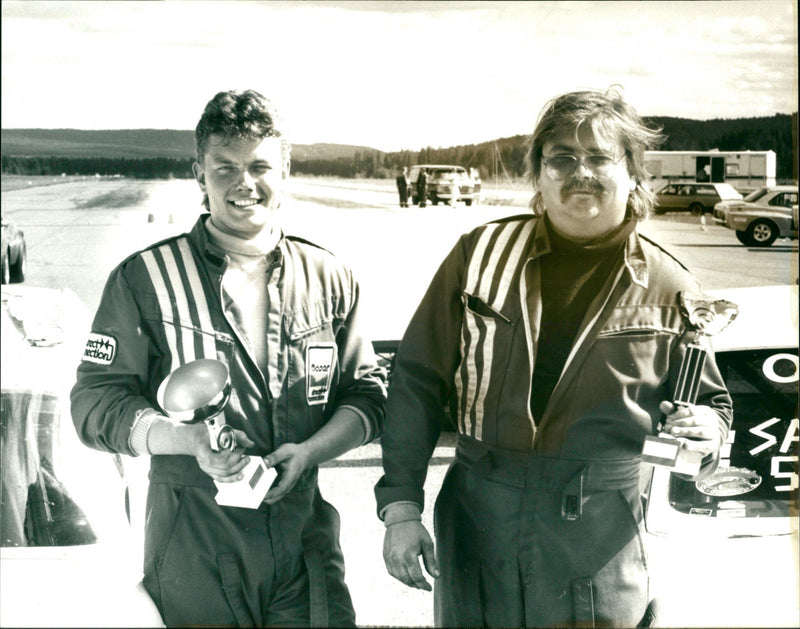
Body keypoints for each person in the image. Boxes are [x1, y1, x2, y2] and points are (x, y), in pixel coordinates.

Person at [375, 87, 733, 628]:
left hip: (599, 537)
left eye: (599, 157)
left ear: (633, 173)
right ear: (539, 175)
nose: (579, 172)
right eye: (561, 158)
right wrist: (401, 508)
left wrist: (710, 433)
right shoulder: (480, 256)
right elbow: (416, 380)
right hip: (479, 515)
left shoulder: (671, 286)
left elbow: (708, 411)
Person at [71, 89, 387, 627]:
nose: (245, 183)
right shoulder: (144, 279)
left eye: (261, 165)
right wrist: (190, 442)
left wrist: (309, 451)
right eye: (225, 168)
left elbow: (369, 395)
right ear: (200, 176)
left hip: (305, 540)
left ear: (285, 170)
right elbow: (95, 403)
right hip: (194, 540)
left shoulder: (330, 277)